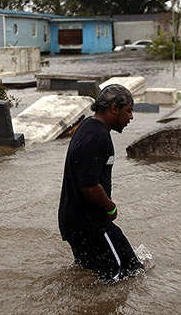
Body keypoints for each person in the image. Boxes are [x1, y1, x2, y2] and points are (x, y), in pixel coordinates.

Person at [58, 84, 143, 282]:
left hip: (76, 221)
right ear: (114, 109)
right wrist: (111, 207)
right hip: (89, 224)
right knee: (117, 274)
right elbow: (88, 185)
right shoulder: (97, 137)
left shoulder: (89, 126)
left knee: (129, 268)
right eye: (129, 111)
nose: (131, 117)